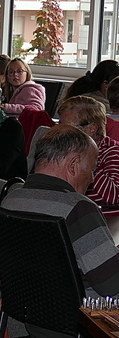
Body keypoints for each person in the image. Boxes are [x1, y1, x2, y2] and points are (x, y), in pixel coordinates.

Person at [1, 124, 119, 336]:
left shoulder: (11, 199)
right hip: (85, 322)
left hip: (35, 321)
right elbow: (112, 285)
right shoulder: (77, 208)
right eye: (91, 169)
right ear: (73, 165)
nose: (92, 178)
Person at [57, 96, 119, 244]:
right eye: (59, 126)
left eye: (69, 128)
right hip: (70, 214)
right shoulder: (63, 148)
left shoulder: (112, 152)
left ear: (91, 129)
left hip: (104, 219)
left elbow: (115, 197)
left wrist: (89, 164)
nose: (60, 133)